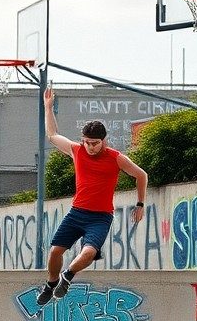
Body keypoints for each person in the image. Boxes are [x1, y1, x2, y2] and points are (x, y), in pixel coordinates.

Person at [35, 86, 148, 305]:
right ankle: (50, 284)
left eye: (94, 144)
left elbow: (141, 175)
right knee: (54, 252)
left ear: (104, 141)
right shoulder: (77, 151)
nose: (90, 147)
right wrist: (48, 108)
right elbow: (53, 135)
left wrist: (140, 203)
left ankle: (67, 276)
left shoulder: (116, 158)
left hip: (100, 217)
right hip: (77, 213)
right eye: (87, 142)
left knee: (88, 254)